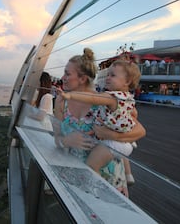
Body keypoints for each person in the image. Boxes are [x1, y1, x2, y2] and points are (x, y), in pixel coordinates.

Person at [54, 48, 146, 197]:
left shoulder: (104, 101)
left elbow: (140, 131)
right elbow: (56, 138)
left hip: (110, 178)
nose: (63, 77)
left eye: (67, 73)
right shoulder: (60, 102)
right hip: (77, 178)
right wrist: (66, 140)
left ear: (82, 78)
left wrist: (107, 134)